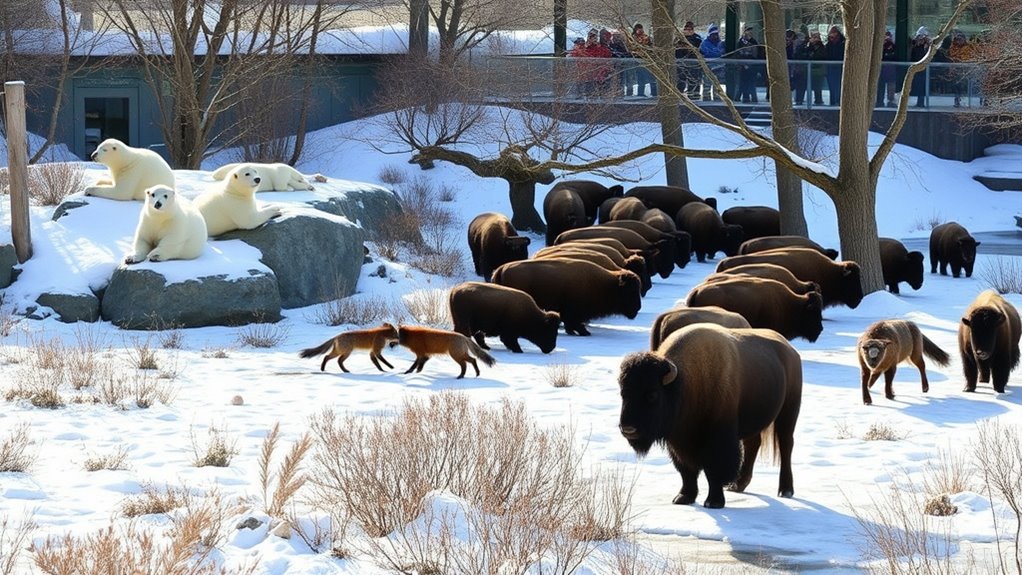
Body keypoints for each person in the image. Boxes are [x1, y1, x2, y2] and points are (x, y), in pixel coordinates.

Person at [675, 21, 703, 100]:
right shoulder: (679, 38)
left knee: (694, 79)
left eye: (690, 29)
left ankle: (694, 96)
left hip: (693, 63)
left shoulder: (697, 38)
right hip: (681, 62)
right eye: (686, 29)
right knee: (681, 80)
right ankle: (679, 96)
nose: (687, 31)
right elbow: (676, 49)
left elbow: (699, 49)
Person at [948, 31, 975, 107]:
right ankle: (957, 99)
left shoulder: (968, 47)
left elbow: (966, 58)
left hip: (965, 70)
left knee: (964, 86)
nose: (959, 41)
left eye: (960, 39)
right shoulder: (954, 47)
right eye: (957, 39)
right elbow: (951, 55)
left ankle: (965, 101)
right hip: (956, 69)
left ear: (964, 39)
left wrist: (959, 59)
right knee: (956, 85)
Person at [699, 24, 725, 101]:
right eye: (713, 34)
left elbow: (722, 53)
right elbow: (707, 53)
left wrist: (718, 53)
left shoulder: (721, 43)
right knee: (707, 83)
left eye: (717, 34)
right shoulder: (704, 43)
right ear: (710, 34)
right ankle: (706, 98)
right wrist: (717, 53)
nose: (716, 36)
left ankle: (717, 97)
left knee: (717, 84)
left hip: (719, 67)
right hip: (708, 67)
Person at [736, 25, 761, 103]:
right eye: (748, 30)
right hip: (743, 67)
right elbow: (738, 55)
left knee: (752, 83)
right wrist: (743, 64)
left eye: (750, 31)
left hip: (752, 66)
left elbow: (757, 54)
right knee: (743, 83)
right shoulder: (740, 42)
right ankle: (745, 98)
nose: (750, 32)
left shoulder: (754, 42)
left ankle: (754, 98)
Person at [631, 23, 657, 97]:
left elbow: (651, 46)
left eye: (641, 28)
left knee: (652, 77)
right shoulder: (632, 38)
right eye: (638, 29)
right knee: (641, 78)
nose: (639, 30)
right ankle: (640, 93)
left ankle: (654, 93)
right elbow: (632, 48)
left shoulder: (646, 37)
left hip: (648, 59)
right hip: (638, 60)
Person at [910, 26, 932, 107]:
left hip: (925, 69)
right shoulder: (915, 45)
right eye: (919, 37)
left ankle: (921, 102)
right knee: (917, 85)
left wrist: (927, 43)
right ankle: (919, 102)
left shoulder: (928, 46)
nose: (921, 39)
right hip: (916, 68)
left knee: (923, 85)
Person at [608, 30, 634, 96]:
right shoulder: (611, 44)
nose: (617, 38)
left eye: (618, 36)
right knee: (617, 79)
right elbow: (613, 53)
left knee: (625, 79)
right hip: (615, 66)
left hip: (624, 65)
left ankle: (626, 93)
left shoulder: (623, 44)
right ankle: (617, 93)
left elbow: (627, 53)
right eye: (615, 36)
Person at [824, 25, 845, 105]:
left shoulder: (843, 44)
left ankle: (840, 102)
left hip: (840, 69)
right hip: (830, 69)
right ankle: (832, 102)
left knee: (840, 87)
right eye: (831, 32)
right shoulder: (828, 45)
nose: (832, 34)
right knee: (831, 87)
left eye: (834, 32)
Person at [876, 30, 897, 108]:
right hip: (882, 69)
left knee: (891, 86)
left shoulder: (893, 45)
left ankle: (890, 101)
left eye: (888, 36)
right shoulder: (881, 46)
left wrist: (891, 43)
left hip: (891, 69)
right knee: (880, 86)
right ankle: (879, 101)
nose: (887, 38)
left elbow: (895, 55)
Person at [805, 31, 827, 106]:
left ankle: (818, 101)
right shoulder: (808, 46)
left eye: (816, 37)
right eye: (813, 37)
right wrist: (809, 44)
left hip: (819, 70)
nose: (815, 39)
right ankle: (807, 102)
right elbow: (806, 54)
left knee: (818, 87)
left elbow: (821, 56)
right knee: (808, 86)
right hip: (809, 70)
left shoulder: (822, 47)